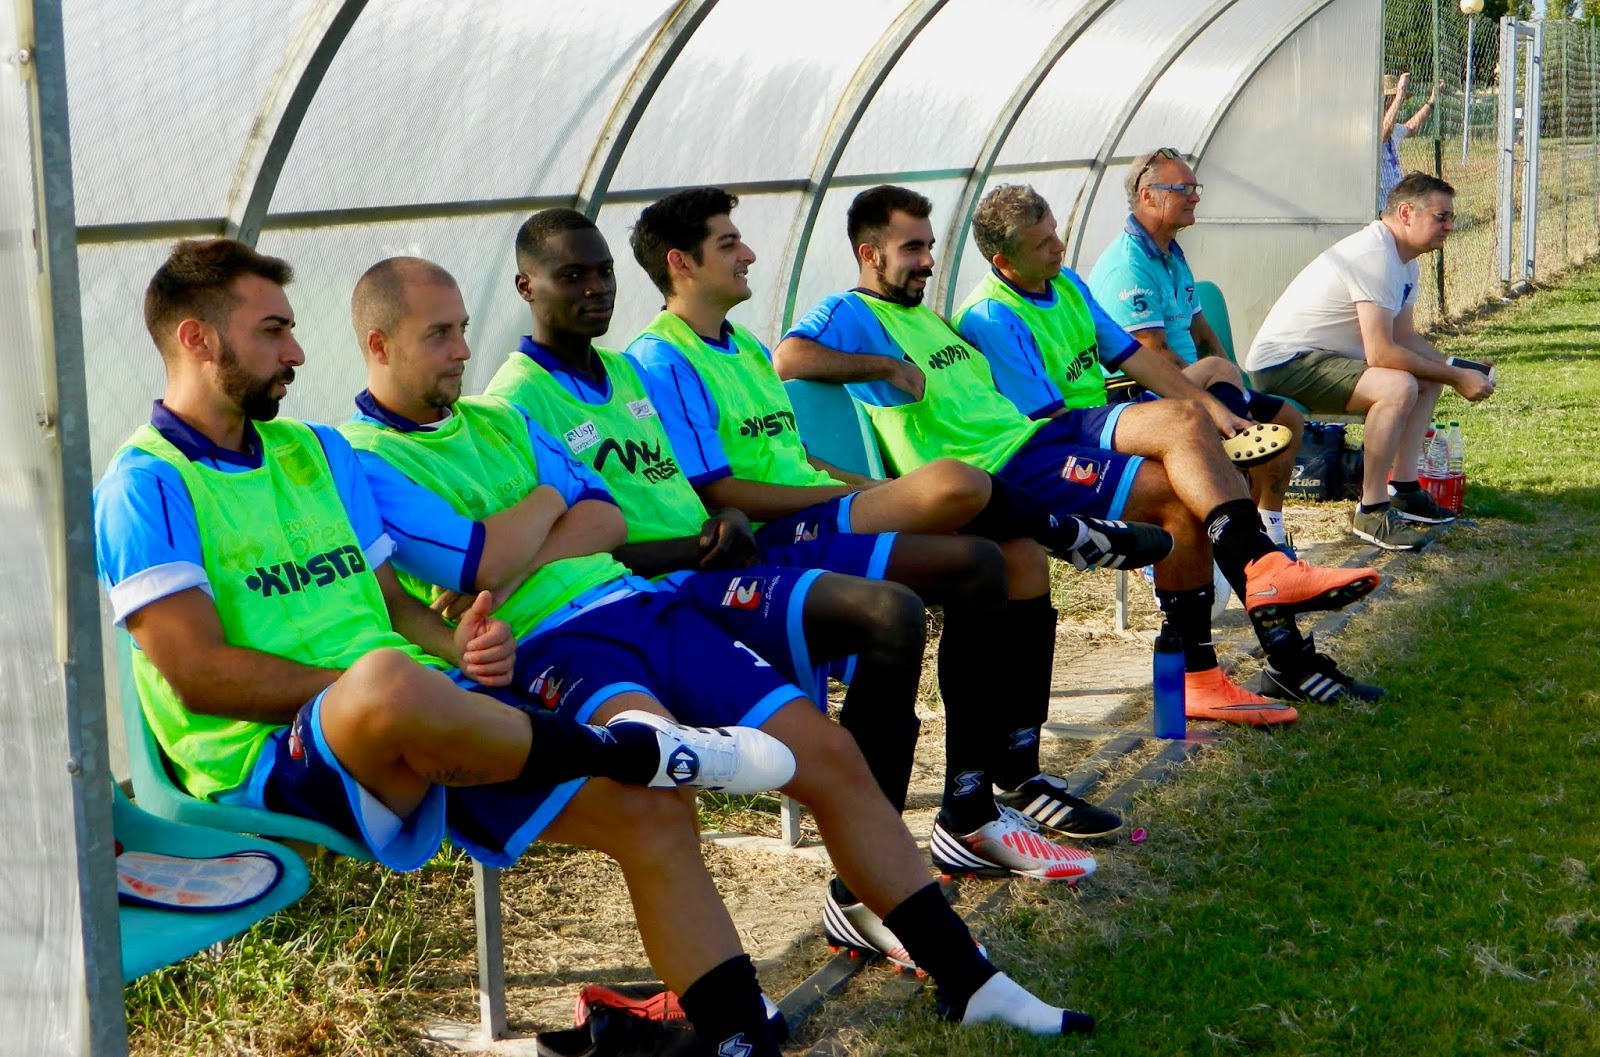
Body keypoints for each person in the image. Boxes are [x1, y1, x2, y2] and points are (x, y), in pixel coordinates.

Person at [342, 254, 1098, 1041]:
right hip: (551, 642)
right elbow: (475, 561)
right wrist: (545, 504)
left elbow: (602, 516)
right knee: (657, 774)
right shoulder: (364, 455)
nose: (463, 349)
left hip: (644, 604)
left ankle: (970, 979)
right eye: (439, 334)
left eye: (463, 328)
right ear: (379, 344)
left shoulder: (497, 419)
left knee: (830, 754)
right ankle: (740, 1020)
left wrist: (525, 531)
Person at [95, 240, 805, 1057]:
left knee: (652, 811)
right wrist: (386, 689)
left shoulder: (316, 451)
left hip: (429, 713)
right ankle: (630, 747)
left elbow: (395, 607)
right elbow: (200, 676)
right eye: (272, 331)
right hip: (271, 753)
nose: (296, 352)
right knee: (388, 680)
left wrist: (459, 646)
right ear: (196, 338)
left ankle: (740, 1035)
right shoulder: (144, 484)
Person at [484, 208, 1109, 971]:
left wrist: (745, 518)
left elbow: (682, 489)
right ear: (527, 287)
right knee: (908, 589)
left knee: (981, 563)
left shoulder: (627, 370)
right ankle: (869, 887)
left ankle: (968, 806)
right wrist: (714, 532)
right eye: (572, 275)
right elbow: (584, 537)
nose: (595, 288)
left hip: (720, 558)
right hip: (664, 585)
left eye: (602, 271)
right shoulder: (525, 397)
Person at [615, 190, 1154, 852]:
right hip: (775, 537)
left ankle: (989, 790)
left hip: (824, 509)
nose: (749, 253)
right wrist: (836, 499)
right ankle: (1070, 532)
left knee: (1004, 557)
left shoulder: (742, 345)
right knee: (956, 485)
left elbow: (795, 458)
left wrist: (870, 489)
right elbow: (717, 493)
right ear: (681, 263)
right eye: (729, 243)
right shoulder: (661, 358)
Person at [773, 185, 1385, 725]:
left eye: (930, 246)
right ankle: (1262, 598)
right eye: (912, 249)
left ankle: (1213, 664)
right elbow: (789, 357)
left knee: (1182, 491)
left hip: (1032, 444)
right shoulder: (857, 312)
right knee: (1182, 437)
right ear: (869, 253)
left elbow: (1119, 359)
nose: (929, 261)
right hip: (1005, 466)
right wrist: (881, 367)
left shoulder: (930, 317)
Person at [967, 182, 1379, 705]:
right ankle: (1278, 623)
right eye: (1043, 242)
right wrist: (1188, 418)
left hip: (1093, 417)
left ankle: (1225, 664)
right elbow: (1050, 418)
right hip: (1052, 439)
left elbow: (1134, 357)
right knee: (1192, 448)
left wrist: (1210, 409)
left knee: (1200, 459)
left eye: (1055, 233)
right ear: (1003, 261)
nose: (1059, 247)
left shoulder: (1064, 281)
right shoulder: (991, 315)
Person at [1243, 172, 1493, 552]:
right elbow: (1381, 353)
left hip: (1319, 359)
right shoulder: (1374, 256)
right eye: (1441, 217)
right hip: (1283, 365)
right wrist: (1457, 376)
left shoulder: (1404, 261)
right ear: (1406, 213)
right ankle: (1372, 510)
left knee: (1428, 379)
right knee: (1398, 386)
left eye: (1450, 218)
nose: (1450, 226)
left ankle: (1404, 488)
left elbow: (1404, 337)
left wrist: (1458, 367)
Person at [1086, 150, 1304, 551]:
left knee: (1286, 419)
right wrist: (1216, 388)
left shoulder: (1170, 253)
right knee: (1238, 436)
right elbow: (1153, 356)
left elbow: (1203, 333)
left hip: (1193, 378)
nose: (1196, 197)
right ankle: (1228, 542)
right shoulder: (1127, 266)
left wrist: (1234, 384)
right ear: (1148, 196)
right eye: (1183, 189)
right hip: (1143, 392)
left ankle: (1266, 527)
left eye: (1195, 187)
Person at [1380, 73, 1441, 213]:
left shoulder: (1394, 128)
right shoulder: (1372, 127)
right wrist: (1400, 94)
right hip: (1379, 207)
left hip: (1392, 203)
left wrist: (1432, 102)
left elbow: (1411, 127)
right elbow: (1383, 133)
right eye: (1395, 100)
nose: (1401, 105)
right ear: (1387, 101)